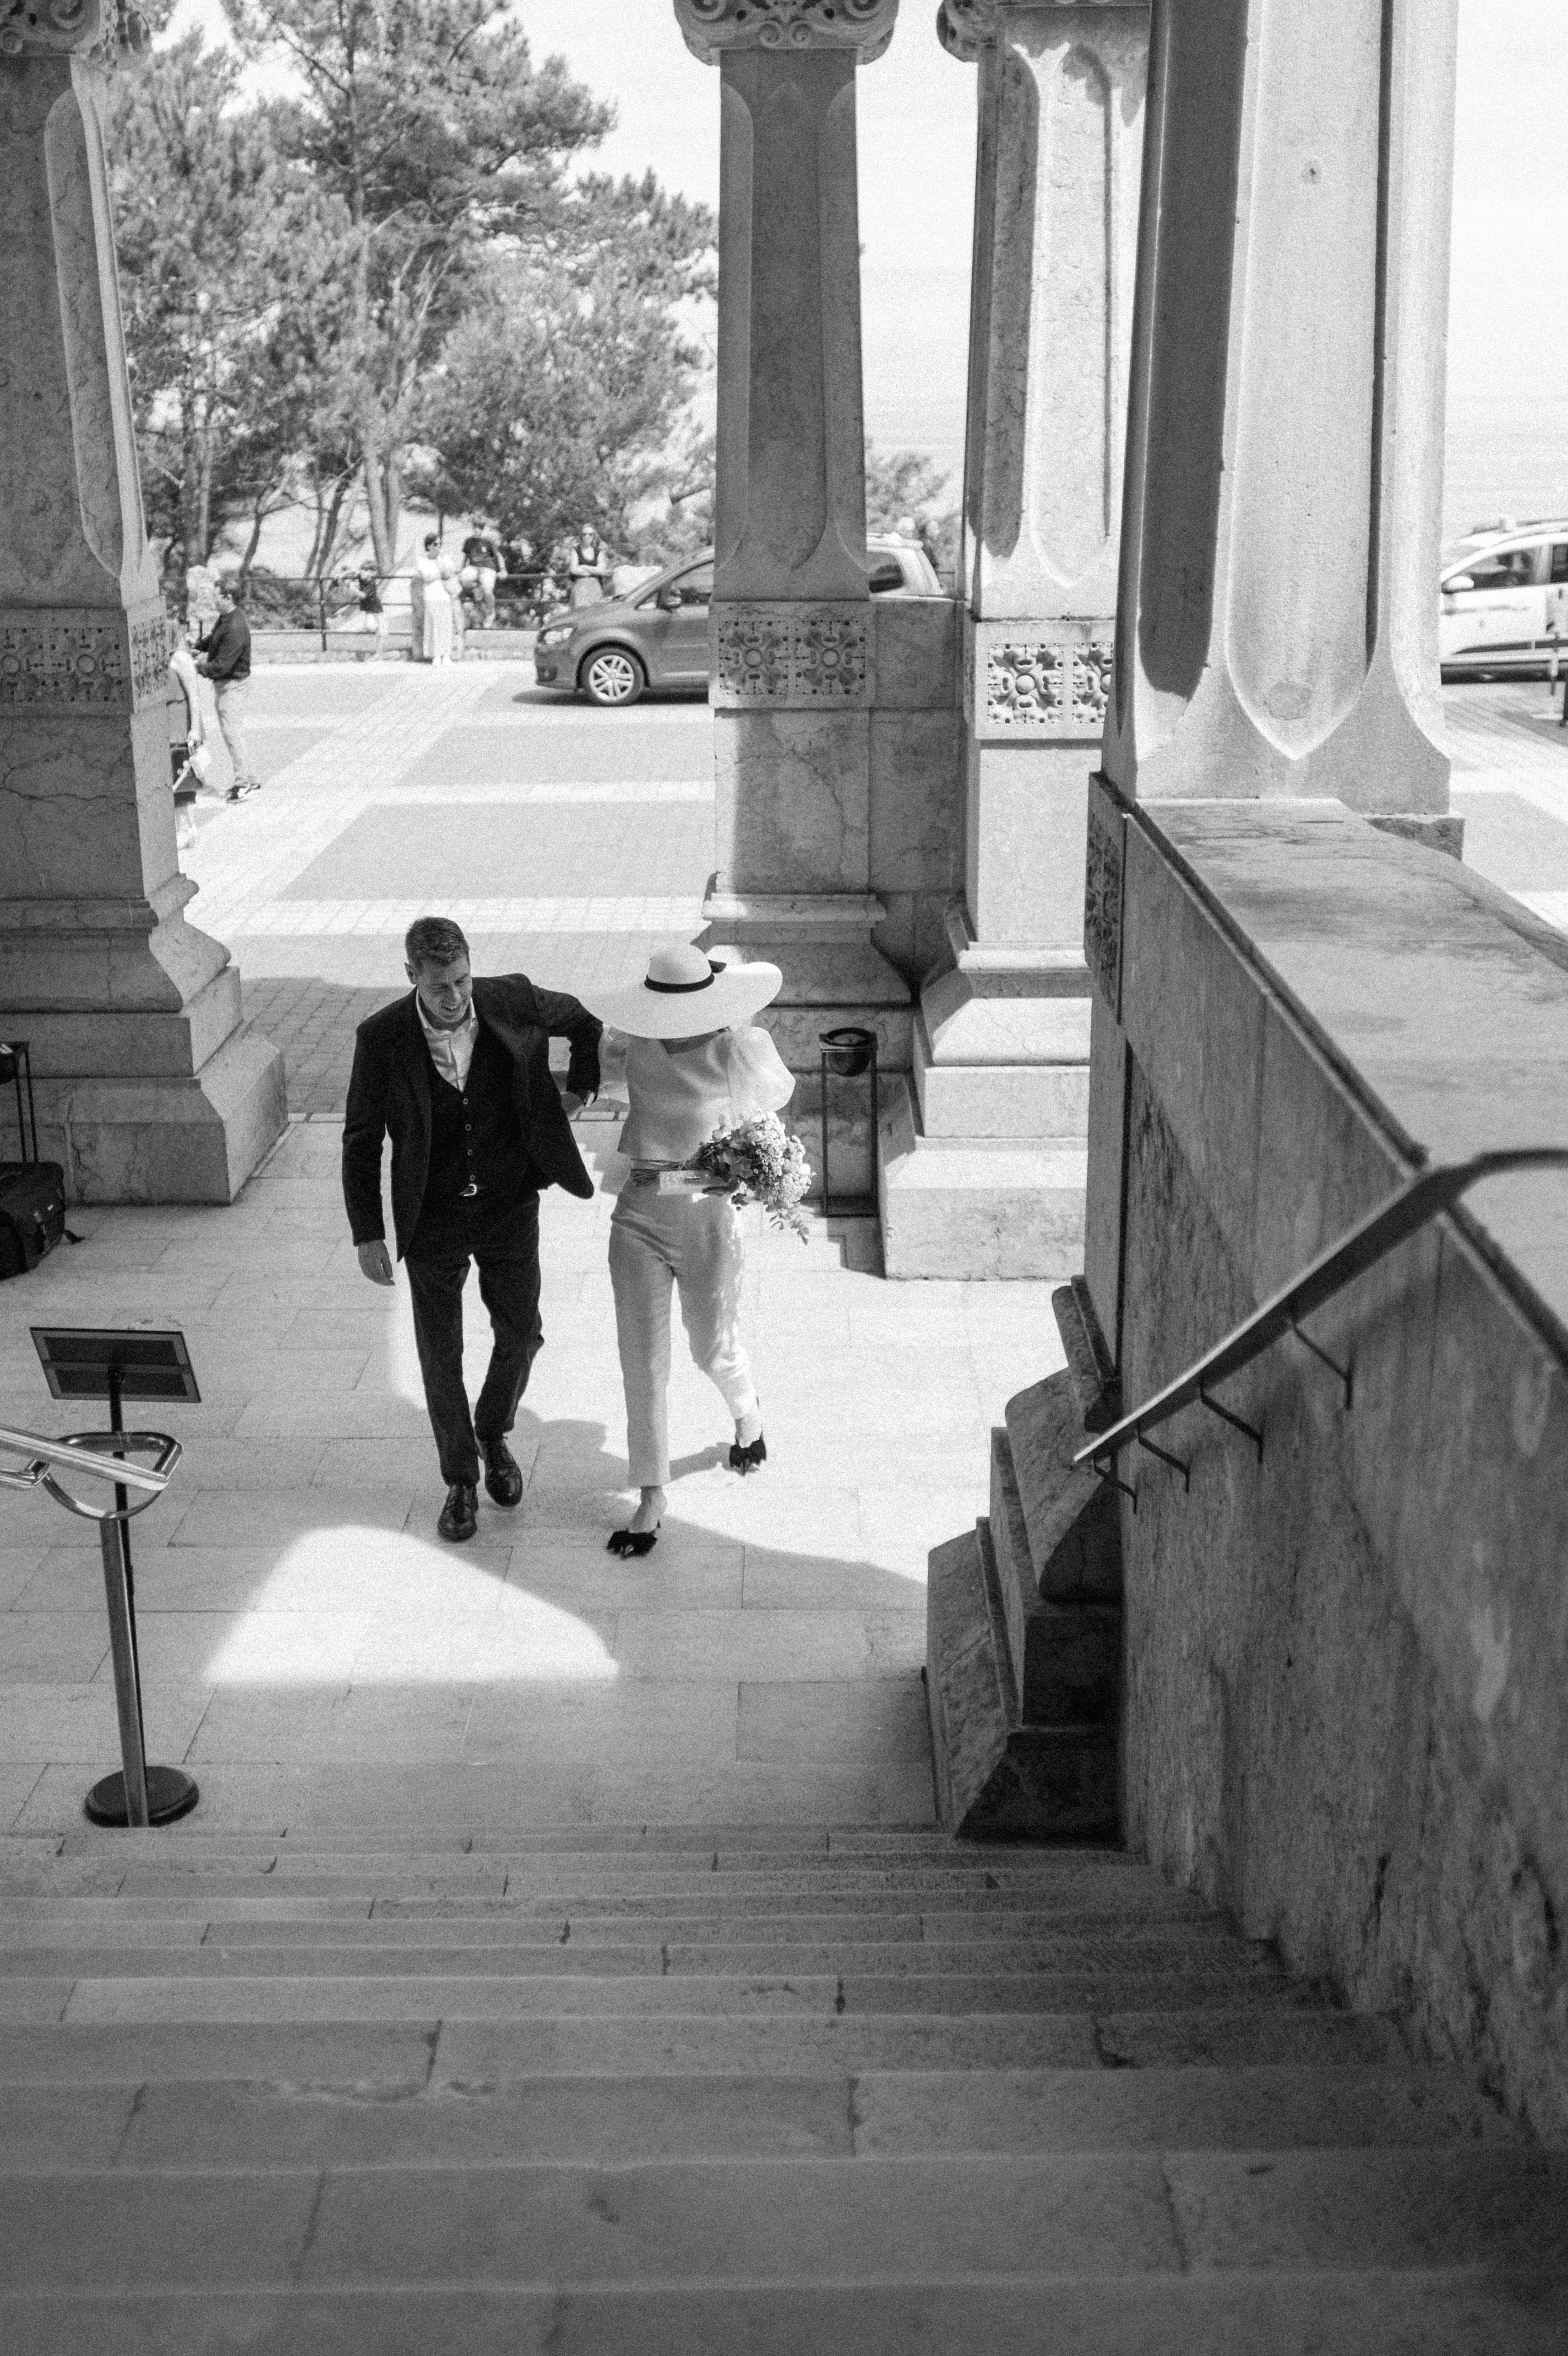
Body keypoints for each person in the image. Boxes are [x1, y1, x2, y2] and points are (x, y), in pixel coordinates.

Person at [342, 916, 603, 1543]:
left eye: (460, 981)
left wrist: (582, 1092)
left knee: (522, 1331)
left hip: (509, 1200)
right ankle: (460, 1478)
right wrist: (367, 1231)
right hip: (430, 1214)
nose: (454, 997)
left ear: (470, 966)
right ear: (411, 976)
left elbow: (585, 1023)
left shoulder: (511, 997)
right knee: (441, 1353)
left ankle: (493, 1428)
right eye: (438, 988)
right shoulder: (381, 1037)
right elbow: (360, 1137)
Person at [587, 944, 794, 1559]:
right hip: (636, 1220)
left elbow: (751, 1162)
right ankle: (651, 1495)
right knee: (642, 1361)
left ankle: (747, 1416)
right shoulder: (633, 1043)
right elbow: (603, 1083)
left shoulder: (738, 1052)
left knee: (712, 1348)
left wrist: (721, 1173)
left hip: (705, 1223)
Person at [194, 576, 259, 800]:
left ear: (228, 597)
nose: (213, 600)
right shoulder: (227, 618)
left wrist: (197, 667)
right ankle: (249, 777)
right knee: (235, 734)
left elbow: (223, 666)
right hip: (228, 685)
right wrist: (197, 646)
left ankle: (242, 783)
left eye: (216, 596)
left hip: (232, 686)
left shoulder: (236, 626)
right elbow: (214, 640)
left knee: (232, 734)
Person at [166, 620, 208, 853]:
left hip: (181, 727)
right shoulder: (163, 660)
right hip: (169, 728)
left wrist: (196, 729)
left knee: (184, 782)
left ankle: (187, 831)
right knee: (176, 781)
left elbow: (195, 696)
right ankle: (186, 830)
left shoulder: (180, 659)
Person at [412, 534, 453, 664]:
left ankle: (446, 654)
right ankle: (435, 655)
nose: (438, 547)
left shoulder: (445, 558)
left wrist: (440, 566)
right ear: (429, 546)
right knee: (433, 626)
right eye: (435, 544)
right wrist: (439, 573)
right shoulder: (422, 561)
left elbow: (448, 574)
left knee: (445, 626)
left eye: (440, 544)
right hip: (431, 596)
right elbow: (427, 577)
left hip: (445, 595)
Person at [461, 528, 502, 629]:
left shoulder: (487, 541)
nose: (477, 531)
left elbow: (498, 556)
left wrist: (503, 570)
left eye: (480, 528)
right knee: (463, 578)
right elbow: (466, 558)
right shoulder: (469, 542)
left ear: (483, 530)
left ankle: (491, 613)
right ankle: (477, 588)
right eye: (475, 528)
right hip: (474, 568)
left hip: (488, 568)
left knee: (488, 590)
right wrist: (462, 570)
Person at [568, 528, 612, 609]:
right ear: (581, 536)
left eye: (590, 535)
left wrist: (584, 567)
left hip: (595, 587)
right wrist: (594, 571)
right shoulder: (576, 550)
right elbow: (574, 570)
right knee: (580, 613)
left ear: (593, 537)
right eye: (585, 534)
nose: (587, 537)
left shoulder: (598, 551)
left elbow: (602, 571)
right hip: (580, 587)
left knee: (596, 613)